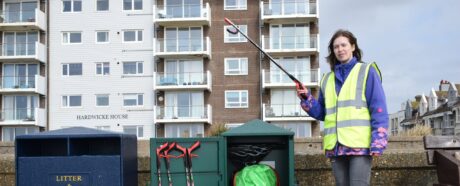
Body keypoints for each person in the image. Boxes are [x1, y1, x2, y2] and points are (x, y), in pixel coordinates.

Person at [296, 29, 388, 186]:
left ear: (353, 47)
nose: (340, 49)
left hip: (360, 145)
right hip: (336, 147)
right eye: (336, 47)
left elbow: (379, 109)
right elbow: (323, 113)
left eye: (343, 45)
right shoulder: (327, 79)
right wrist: (307, 98)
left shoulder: (367, 71)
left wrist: (378, 141)